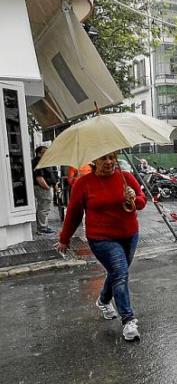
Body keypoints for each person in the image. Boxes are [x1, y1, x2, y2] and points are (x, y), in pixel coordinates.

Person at [56, 152, 146, 341]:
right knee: (120, 273)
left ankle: (103, 300)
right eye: (103, 158)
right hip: (101, 238)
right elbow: (73, 213)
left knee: (117, 273)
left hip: (130, 235)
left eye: (112, 158)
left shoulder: (126, 177)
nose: (109, 162)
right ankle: (128, 320)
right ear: (94, 161)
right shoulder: (83, 183)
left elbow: (141, 202)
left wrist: (133, 198)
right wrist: (64, 238)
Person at [32, 145, 59, 234]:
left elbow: (51, 174)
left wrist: (54, 185)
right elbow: (39, 177)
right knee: (43, 208)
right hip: (42, 187)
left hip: (45, 187)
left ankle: (43, 226)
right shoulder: (37, 162)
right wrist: (47, 188)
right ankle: (42, 228)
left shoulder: (45, 161)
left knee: (44, 207)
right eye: (45, 152)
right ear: (39, 153)